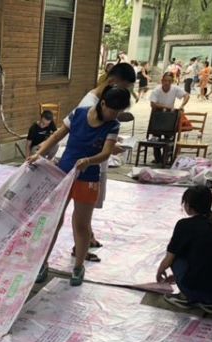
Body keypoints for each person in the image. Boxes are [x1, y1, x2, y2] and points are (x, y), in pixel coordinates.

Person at [27, 85, 131, 287]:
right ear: (103, 104)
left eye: (118, 112)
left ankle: (78, 266)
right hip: (63, 174)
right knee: (53, 221)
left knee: (82, 225)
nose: (114, 115)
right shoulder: (79, 114)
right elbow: (57, 136)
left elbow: (106, 153)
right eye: (112, 110)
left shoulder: (113, 125)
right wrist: (39, 153)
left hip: (88, 178)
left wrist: (89, 161)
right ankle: (42, 263)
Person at [76, 62, 137, 253]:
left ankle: (85, 240)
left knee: (86, 210)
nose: (114, 115)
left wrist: (110, 144)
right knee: (81, 212)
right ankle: (81, 245)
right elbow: (71, 135)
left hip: (93, 165)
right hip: (85, 167)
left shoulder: (105, 107)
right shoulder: (88, 106)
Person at [157, 186, 212, 313]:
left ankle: (187, 297)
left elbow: (169, 258)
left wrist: (160, 272)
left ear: (188, 206)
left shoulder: (184, 225)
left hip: (197, 290)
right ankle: (209, 302)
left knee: (177, 256)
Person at [149, 71, 190, 164]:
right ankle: (157, 158)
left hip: (170, 116)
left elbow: (186, 95)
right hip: (158, 115)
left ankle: (166, 157)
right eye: (165, 80)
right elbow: (153, 104)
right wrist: (166, 107)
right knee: (156, 137)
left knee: (169, 137)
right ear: (162, 81)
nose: (167, 83)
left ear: (172, 82)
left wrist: (182, 105)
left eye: (169, 81)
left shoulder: (175, 89)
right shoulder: (156, 90)